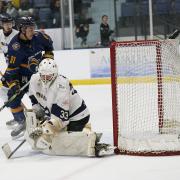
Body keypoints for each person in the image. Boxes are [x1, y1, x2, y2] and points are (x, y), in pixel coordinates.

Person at [25, 58, 113, 157]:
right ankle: (84, 133)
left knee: (58, 141)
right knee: (45, 131)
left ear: (54, 75)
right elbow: (34, 98)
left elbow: (61, 119)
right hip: (56, 115)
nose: (45, 79)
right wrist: (38, 115)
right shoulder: (34, 79)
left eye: (48, 77)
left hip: (77, 117)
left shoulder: (62, 85)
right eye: (43, 76)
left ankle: (91, 141)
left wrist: (45, 128)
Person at [1, 16, 54, 139]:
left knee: (39, 98)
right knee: (12, 98)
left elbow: (49, 48)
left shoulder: (39, 37)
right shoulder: (15, 47)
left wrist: (46, 63)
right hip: (21, 74)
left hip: (38, 74)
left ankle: (44, 117)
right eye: (30, 29)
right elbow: (12, 70)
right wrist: (14, 85)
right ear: (22, 30)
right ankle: (23, 121)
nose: (33, 31)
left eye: (33, 28)